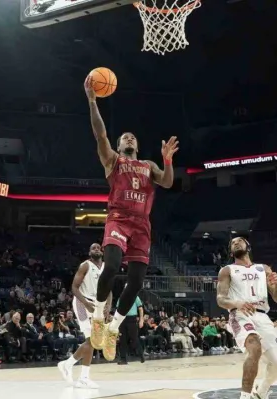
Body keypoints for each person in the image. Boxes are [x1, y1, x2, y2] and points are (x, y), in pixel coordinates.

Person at [83, 73, 179, 362]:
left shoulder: (148, 165)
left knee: (136, 282)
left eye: (132, 137)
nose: (129, 138)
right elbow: (100, 133)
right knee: (111, 266)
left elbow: (168, 183)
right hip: (118, 219)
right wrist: (91, 101)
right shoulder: (113, 160)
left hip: (142, 226)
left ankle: (113, 328)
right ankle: (99, 316)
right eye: (125, 137)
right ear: (119, 143)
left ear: (137, 145)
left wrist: (167, 161)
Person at [216, 237, 277, 399]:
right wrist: (236, 303)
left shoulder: (264, 268)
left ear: (248, 246)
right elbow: (220, 299)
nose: (236, 243)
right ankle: (245, 396)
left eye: (240, 241)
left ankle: (260, 392)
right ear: (231, 251)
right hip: (240, 314)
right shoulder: (227, 270)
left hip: (262, 316)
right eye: (232, 243)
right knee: (254, 346)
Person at [58, 243, 108, 388]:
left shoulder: (105, 267)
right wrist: (85, 303)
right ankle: (82, 377)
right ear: (89, 252)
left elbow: (108, 289)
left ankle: (68, 365)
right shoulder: (85, 265)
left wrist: (108, 307)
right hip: (82, 303)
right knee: (91, 339)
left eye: (98, 247)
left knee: (93, 340)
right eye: (93, 248)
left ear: (102, 251)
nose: (96, 249)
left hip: (97, 304)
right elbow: (74, 287)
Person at [115, 284, 145, 365]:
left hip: (132, 319)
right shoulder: (121, 297)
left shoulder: (135, 297)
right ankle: (123, 359)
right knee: (122, 339)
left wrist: (141, 320)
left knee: (134, 338)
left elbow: (140, 308)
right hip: (122, 318)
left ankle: (141, 354)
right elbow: (118, 309)